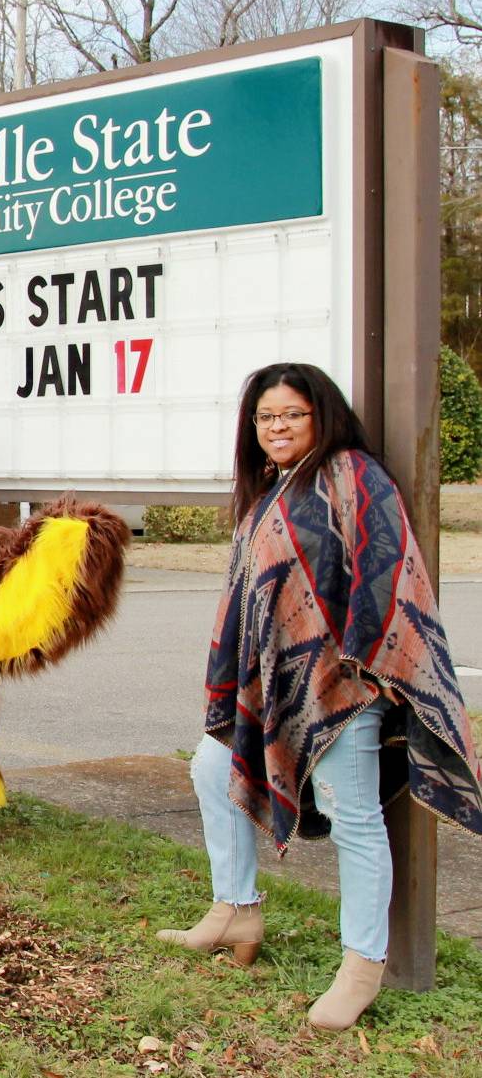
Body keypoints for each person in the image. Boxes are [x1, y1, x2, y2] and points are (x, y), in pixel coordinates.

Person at [158, 362, 482, 1030]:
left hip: (344, 686)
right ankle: (234, 909)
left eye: (291, 414)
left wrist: (365, 663)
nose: (276, 426)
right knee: (211, 766)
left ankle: (361, 964)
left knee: (353, 815)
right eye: (265, 417)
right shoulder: (270, 490)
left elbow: (387, 571)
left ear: (320, 416)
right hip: (273, 685)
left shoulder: (352, 475)